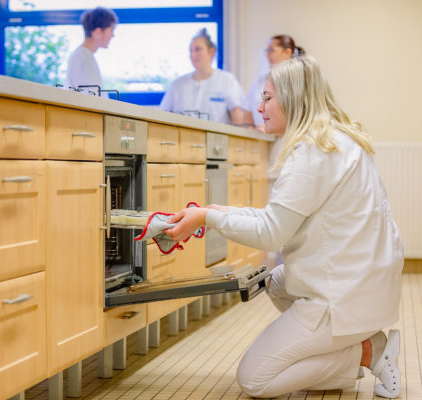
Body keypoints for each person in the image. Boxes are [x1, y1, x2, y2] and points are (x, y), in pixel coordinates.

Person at [164, 55, 404, 398]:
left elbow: (272, 233)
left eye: (267, 98)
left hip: (342, 294)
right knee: (277, 282)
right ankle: (346, 341)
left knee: (255, 379)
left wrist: (209, 218)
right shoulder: (335, 140)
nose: (259, 107)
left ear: (292, 99)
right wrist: (215, 210)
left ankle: (366, 350)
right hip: (365, 283)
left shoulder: (311, 153)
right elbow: (280, 218)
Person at [160, 28, 247, 125]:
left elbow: (238, 119)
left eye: (197, 50)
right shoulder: (177, 84)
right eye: (190, 51)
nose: (193, 55)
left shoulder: (227, 80)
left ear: (211, 51)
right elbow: (163, 117)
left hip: (216, 138)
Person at [245, 34, 305, 131]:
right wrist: (252, 128)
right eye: (267, 51)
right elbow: (247, 108)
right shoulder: (262, 80)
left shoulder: (298, 80)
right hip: (263, 138)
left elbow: (297, 113)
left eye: (271, 50)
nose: (267, 55)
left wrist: (271, 128)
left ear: (287, 52)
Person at [65, 6, 118, 92]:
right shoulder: (82, 59)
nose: (113, 35)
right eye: (111, 30)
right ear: (98, 32)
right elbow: (90, 98)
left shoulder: (84, 56)